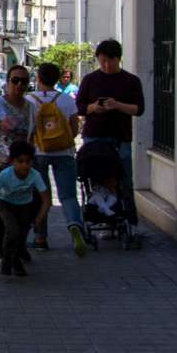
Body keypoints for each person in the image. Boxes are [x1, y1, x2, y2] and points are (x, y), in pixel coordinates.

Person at [74, 39, 145, 226]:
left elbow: (138, 109)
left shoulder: (131, 81)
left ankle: (130, 222)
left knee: (124, 181)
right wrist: (93, 107)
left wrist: (117, 105)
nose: (106, 65)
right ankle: (101, 219)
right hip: (94, 137)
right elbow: (79, 107)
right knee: (96, 181)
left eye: (110, 61)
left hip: (120, 138)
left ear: (118, 59)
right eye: (102, 61)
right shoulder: (90, 80)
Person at [28, 61, 87, 255]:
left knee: (41, 196)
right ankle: (75, 226)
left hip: (38, 152)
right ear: (57, 79)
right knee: (68, 195)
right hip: (64, 152)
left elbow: (28, 129)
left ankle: (40, 237)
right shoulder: (67, 100)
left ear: (38, 78)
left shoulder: (29, 100)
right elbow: (74, 128)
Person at [0, 66, 35, 259]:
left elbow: (33, 137)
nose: (19, 85)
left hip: (23, 166)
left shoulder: (31, 107)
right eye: (15, 80)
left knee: (25, 207)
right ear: (8, 81)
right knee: (6, 207)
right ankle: (4, 250)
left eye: (24, 81)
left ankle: (19, 245)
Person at [0, 140, 49, 277]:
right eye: (20, 161)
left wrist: (39, 219)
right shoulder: (5, 175)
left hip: (24, 205)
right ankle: (9, 260)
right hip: (5, 203)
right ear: (12, 162)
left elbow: (46, 200)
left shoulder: (35, 175)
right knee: (12, 230)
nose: (24, 165)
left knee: (21, 235)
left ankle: (15, 256)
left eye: (28, 161)